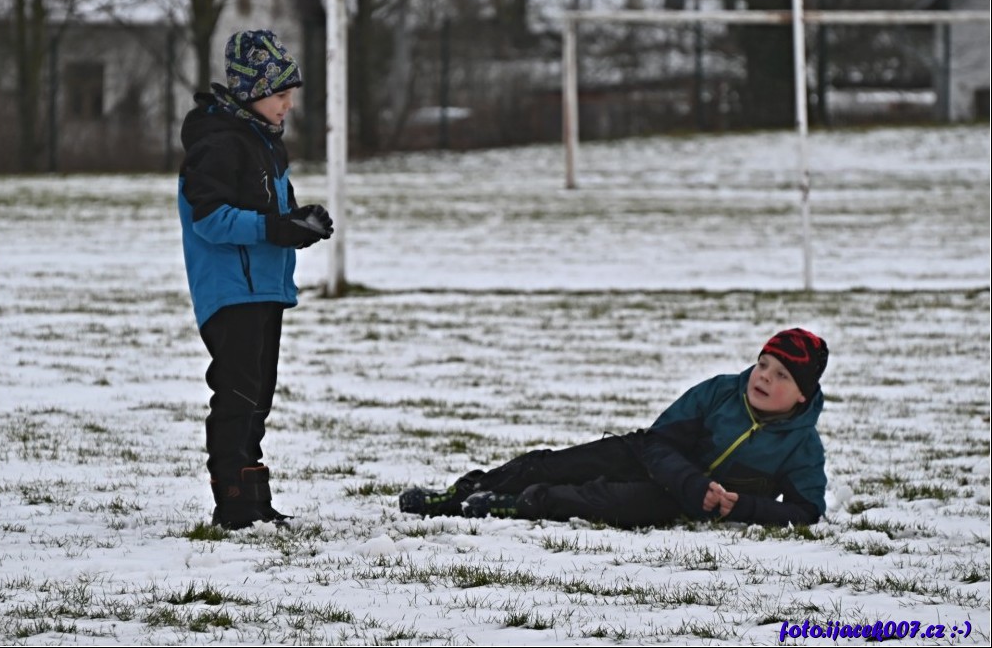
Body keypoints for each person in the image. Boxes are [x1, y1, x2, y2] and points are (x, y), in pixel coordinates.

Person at [399, 328, 829, 528]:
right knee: (558, 464)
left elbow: (806, 510)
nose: (764, 377)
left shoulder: (803, 446)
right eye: (763, 364)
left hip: (674, 500)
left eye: (782, 375)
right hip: (647, 456)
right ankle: (463, 492)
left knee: (610, 501)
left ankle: (517, 504)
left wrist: (743, 508)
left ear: (801, 396)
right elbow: (660, 442)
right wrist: (693, 482)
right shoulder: (719, 391)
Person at [178, 30, 332, 530]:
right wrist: (276, 228)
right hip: (231, 292)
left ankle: (254, 499)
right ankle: (234, 503)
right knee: (238, 395)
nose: (289, 104)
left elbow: (271, 213)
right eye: (280, 93)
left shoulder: (264, 142)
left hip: (264, 288)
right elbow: (209, 219)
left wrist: (299, 224)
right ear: (251, 92)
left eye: (291, 93)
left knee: (258, 398)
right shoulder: (219, 143)